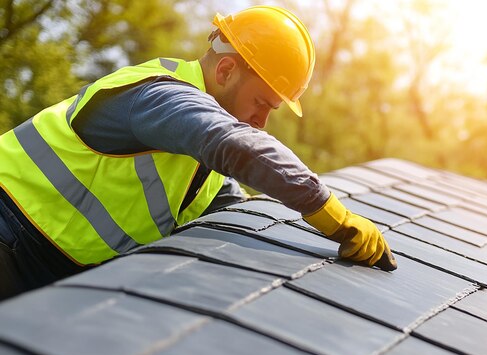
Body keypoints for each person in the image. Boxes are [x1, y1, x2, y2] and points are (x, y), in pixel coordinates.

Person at [0, 5, 397, 299]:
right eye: (261, 102)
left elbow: (238, 212)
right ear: (225, 71)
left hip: (50, 271)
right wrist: (331, 213)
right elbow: (236, 144)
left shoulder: (202, 168)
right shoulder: (159, 96)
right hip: (9, 232)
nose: (260, 121)